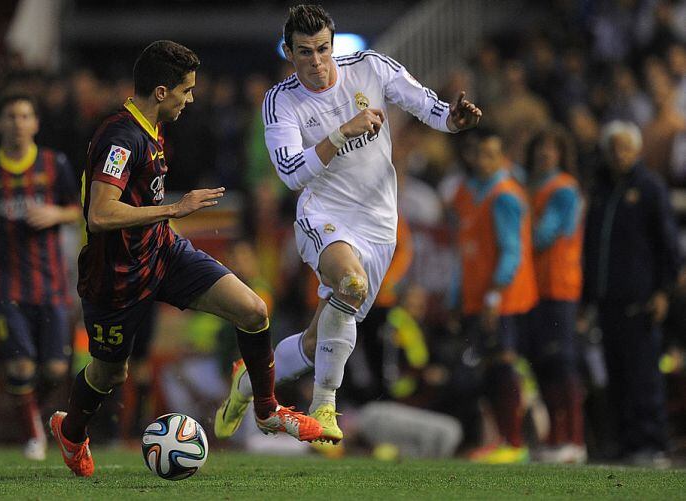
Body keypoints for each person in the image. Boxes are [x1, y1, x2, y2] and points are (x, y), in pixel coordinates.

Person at [48, 40, 322, 478]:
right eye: (185, 90)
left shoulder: (151, 129)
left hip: (162, 252)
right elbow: (100, 214)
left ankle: (268, 410)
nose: (190, 99)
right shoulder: (121, 137)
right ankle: (73, 431)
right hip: (115, 276)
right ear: (161, 91)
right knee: (108, 374)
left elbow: (139, 200)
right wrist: (175, 209)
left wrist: (170, 227)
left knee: (253, 310)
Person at [215, 4, 481, 444]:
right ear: (289, 51)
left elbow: (428, 106)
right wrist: (341, 134)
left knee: (313, 342)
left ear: (332, 45)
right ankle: (325, 403)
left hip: (379, 227)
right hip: (324, 216)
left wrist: (453, 120)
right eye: (304, 52)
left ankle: (247, 383)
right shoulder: (281, 100)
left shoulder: (371, 68)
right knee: (350, 285)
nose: (316, 62)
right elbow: (289, 172)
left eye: (322, 49)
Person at [0, 92, 82, 460]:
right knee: (21, 364)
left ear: (36, 123)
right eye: (11, 116)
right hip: (5, 284)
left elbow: (76, 209)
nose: (18, 122)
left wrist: (55, 215)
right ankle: (33, 436)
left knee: (56, 369)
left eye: (25, 115)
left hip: (52, 284)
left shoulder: (54, 164)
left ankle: (28, 410)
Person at [582, 121, 680, 467]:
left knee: (643, 374)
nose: (619, 155)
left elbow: (668, 244)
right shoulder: (602, 189)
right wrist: (588, 298)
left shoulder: (649, 188)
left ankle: (651, 443)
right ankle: (625, 442)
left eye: (625, 148)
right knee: (616, 373)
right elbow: (591, 246)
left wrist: (663, 291)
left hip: (640, 298)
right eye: (613, 148)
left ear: (637, 151)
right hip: (608, 300)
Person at [452, 130, 538, 464]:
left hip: (502, 300)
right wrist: (456, 295)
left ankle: (515, 442)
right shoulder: (471, 193)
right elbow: (467, 251)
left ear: (502, 157)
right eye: (480, 153)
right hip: (478, 297)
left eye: (492, 154)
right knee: (490, 368)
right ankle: (502, 439)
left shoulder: (504, 196)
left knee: (503, 365)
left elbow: (511, 253)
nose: (485, 160)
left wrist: (492, 298)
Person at [525, 126, 586, 463]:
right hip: (537, 287)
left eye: (552, 149)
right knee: (544, 363)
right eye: (541, 148)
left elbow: (543, 235)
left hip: (559, 285)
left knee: (562, 361)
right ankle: (557, 436)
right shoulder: (535, 189)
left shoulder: (563, 190)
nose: (545, 154)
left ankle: (574, 438)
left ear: (562, 155)